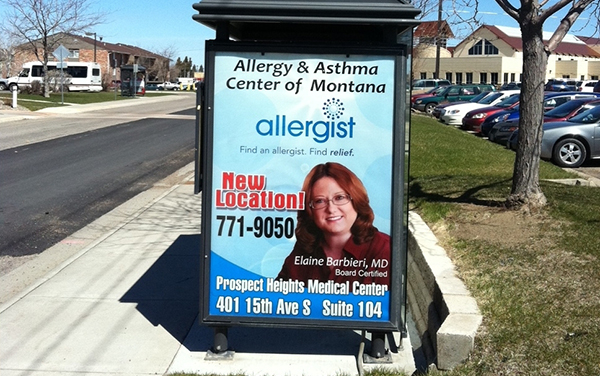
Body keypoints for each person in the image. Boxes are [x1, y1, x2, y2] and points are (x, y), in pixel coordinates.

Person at [277, 162, 390, 285]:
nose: (331, 209)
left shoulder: (384, 249)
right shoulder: (303, 249)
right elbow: (277, 297)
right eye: (320, 201)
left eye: (340, 198)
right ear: (310, 209)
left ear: (356, 200)